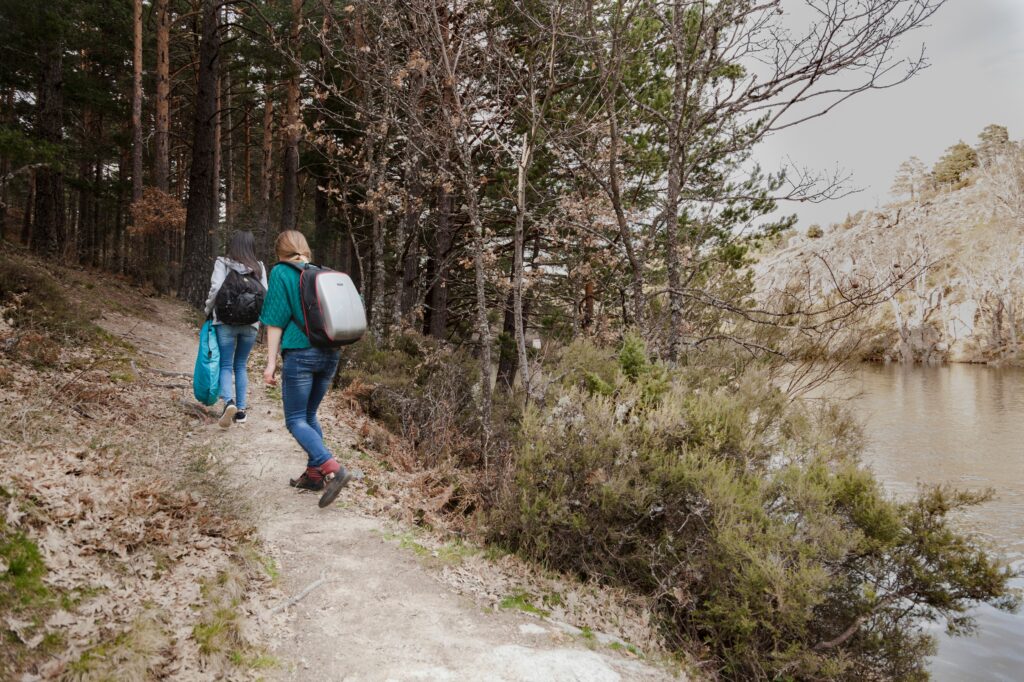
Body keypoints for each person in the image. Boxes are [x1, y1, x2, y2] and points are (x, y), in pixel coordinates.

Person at [260, 230, 352, 505]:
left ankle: (332, 468)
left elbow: (275, 320)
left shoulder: (281, 273)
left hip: (301, 354)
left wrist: (270, 363)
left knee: (295, 419)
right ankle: (314, 476)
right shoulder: (317, 272)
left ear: (280, 253)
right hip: (330, 354)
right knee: (309, 416)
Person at [203, 231, 268, 428]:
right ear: (251, 247)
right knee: (240, 365)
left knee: (225, 364)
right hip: (250, 324)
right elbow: (266, 293)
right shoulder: (259, 267)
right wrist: (261, 321)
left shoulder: (223, 262)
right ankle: (241, 411)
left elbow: (215, 289)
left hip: (225, 321)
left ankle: (228, 402)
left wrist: (208, 311)